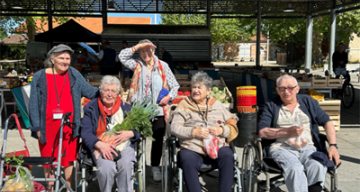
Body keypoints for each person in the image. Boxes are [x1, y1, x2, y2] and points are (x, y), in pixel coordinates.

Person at [28, 44, 98, 191]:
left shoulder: (73, 73)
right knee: (47, 157)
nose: (65, 61)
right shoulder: (40, 76)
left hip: (69, 124)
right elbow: (33, 103)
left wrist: (106, 90)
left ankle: (68, 186)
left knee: (68, 158)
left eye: (68, 58)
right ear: (52, 59)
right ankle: (50, 186)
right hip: (46, 125)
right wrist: (36, 127)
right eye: (62, 58)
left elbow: (89, 91)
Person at [257, 74, 341, 192]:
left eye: (290, 88)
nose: (286, 92)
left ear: (297, 89)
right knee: (295, 168)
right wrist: (287, 132)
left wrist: (333, 146)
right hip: (281, 149)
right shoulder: (271, 106)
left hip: (308, 148)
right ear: (277, 90)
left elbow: (327, 122)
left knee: (317, 165)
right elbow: (263, 132)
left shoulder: (308, 102)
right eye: (282, 88)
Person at [118, 39, 180, 182]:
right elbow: (122, 56)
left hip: (157, 110)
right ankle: (134, 165)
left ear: (153, 50)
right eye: (142, 51)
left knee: (157, 139)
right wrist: (137, 46)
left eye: (148, 50)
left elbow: (175, 86)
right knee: (134, 138)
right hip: (139, 110)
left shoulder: (163, 66)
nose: (145, 54)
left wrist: (169, 97)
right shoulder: (136, 65)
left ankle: (155, 166)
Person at [170, 72, 238, 192]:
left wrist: (221, 130)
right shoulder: (184, 105)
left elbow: (232, 123)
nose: (195, 90)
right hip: (193, 148)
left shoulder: (217, 105)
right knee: (186, 157)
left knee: (228, 155)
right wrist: (194, 131)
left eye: (199, 87)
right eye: (194, 87)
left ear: (208, 91)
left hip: (217, 147)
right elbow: (175, 128)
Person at [80, 75, 140, 192]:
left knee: (126, 165)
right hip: (101, 145)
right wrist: (100, 145)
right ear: (100, 91)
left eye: (113, 91)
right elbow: (86, 132)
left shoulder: (126, 108)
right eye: (106, 90)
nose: (109, 94)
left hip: (124, 145)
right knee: (107, 168)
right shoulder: (91, 108)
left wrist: (130, 133)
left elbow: (139, 130)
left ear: (118, 93)